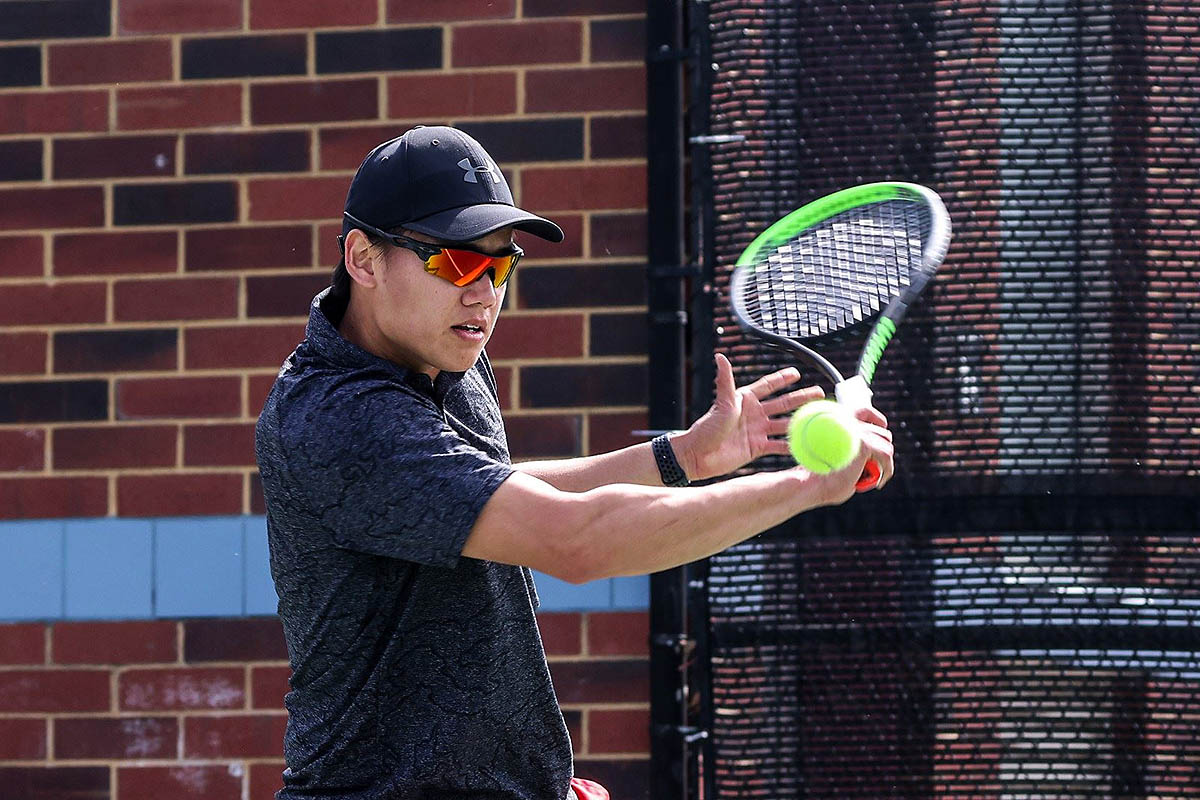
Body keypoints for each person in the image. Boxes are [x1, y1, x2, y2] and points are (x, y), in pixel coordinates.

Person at [254, 125, 893, 800]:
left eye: (500, 266)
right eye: (456, 263)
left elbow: (485, 496)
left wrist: (682, 457)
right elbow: (574, 540)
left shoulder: (446, 359)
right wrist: (805, 489)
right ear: (363, 258)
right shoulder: (339, 417)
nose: (484, 294)